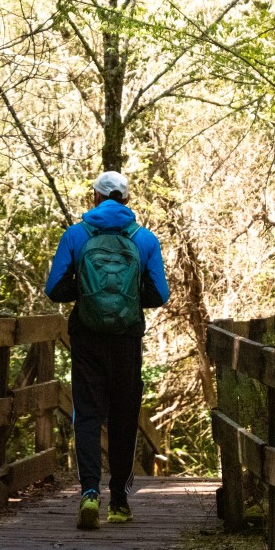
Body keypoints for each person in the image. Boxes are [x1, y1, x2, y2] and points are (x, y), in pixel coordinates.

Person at [45, 170, 169, 529]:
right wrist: (128, 301)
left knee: (86, 414)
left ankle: (88, 494)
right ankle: (118, 501)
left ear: (95, 198)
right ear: (126, 201)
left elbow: (54, 288)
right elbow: (160, 295)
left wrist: (85, 294)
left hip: (86, 337)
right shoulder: (144, 239)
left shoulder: (76, 234)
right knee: (124, 416)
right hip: (126, 339)